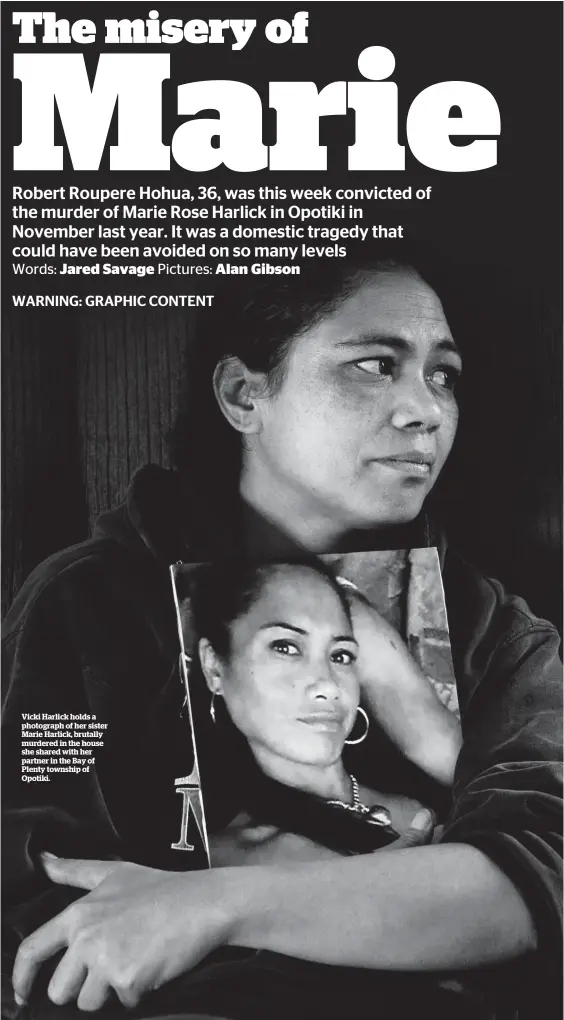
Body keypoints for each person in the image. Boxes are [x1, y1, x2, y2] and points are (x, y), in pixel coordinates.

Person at [2, 252, 562, 1020]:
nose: (426, 410)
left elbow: (545, 867)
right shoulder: (86, 603)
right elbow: (40, 897)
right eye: (375, 364)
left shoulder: (487, 626)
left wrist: (219, 904)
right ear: (243, 395)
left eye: (444, 375)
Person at [190, 558, 459, 865]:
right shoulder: (227, 867)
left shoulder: (428, 786)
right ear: (213, 666)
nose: (328, 685)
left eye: (341, 655)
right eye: (285, 647)